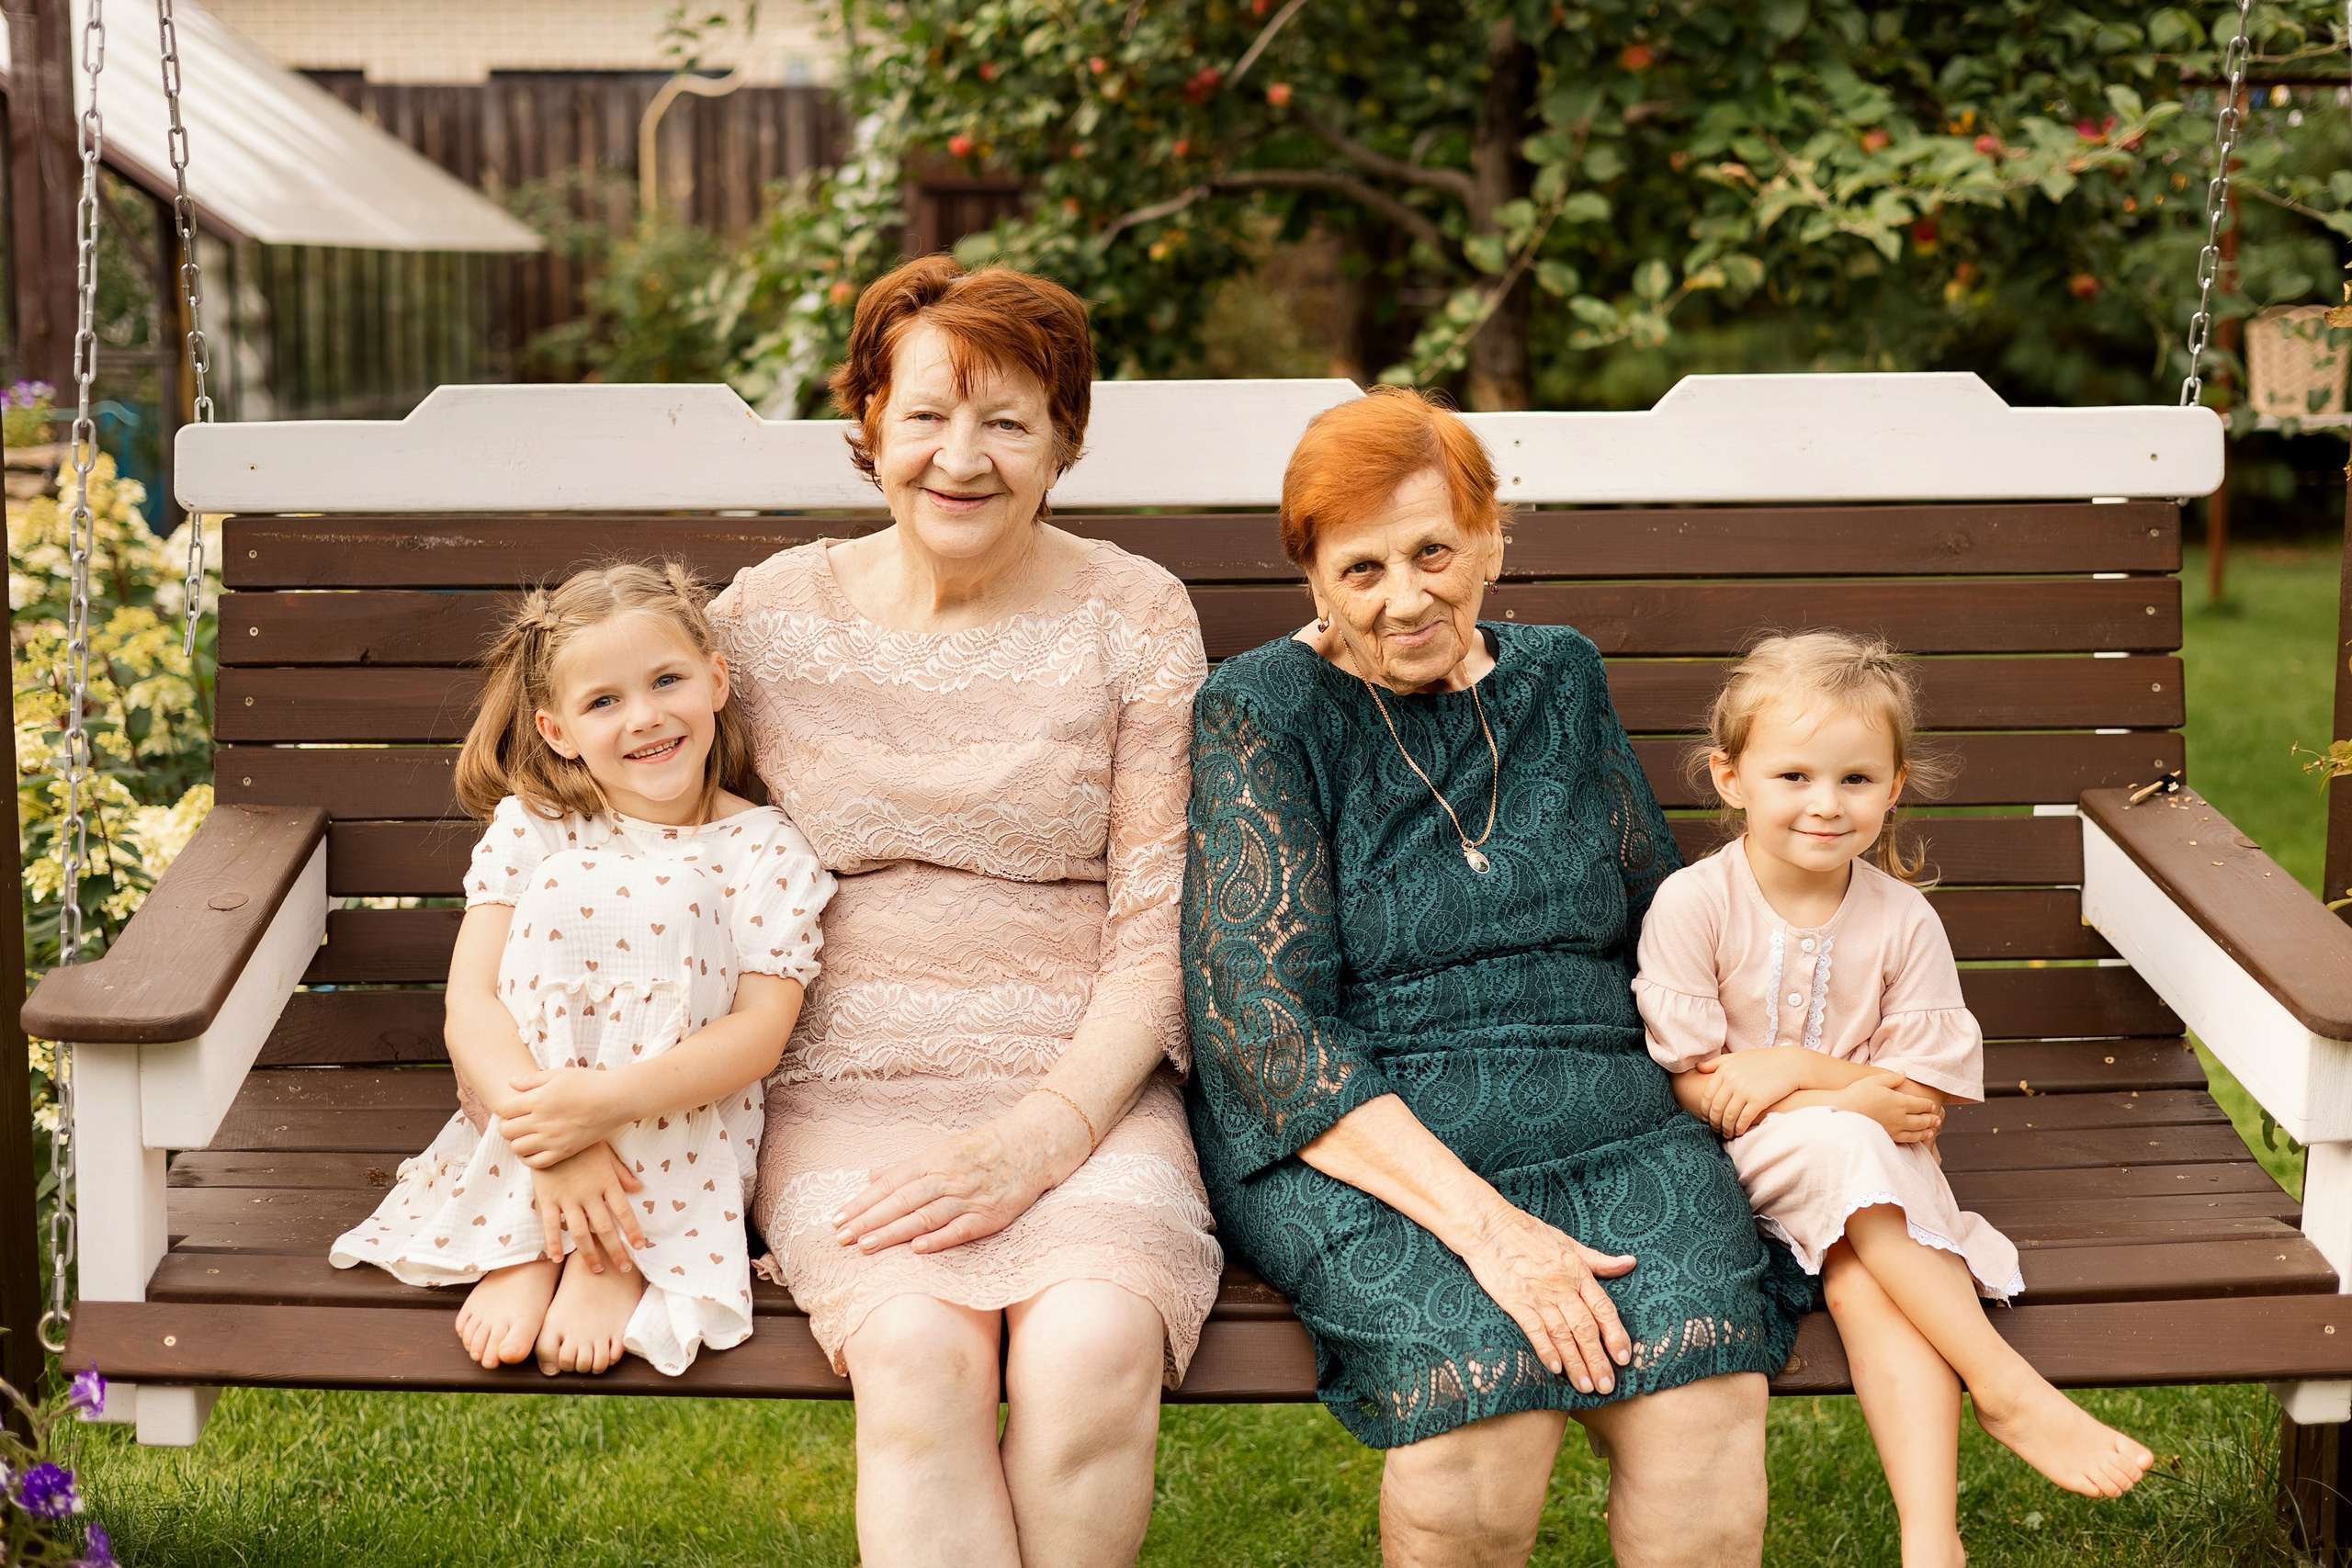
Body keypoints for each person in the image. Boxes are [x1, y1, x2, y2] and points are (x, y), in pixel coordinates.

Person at [1183, 385, 1812, 1568]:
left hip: (1604, 1108)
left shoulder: (1558, 677)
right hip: (1365, 1133)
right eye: (1360, 569)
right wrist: (1489, 1231)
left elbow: (1658, 915)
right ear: (1311, 578)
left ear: (1491, 538)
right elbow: (1262, 1031)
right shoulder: (1260, 710)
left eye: (1432, 551)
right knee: (1488, 1414)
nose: (1406, 597)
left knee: (1703, 1410)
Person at [709, 255, 1221, 1568]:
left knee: (1097, 1337)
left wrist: (1046, 1131)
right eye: (928, 412)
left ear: (1063, 443)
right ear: (869, 421)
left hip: (1083, 1082)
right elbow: (643, 839)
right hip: (845, 1078)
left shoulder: (1135, 612)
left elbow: (1163, 914)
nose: (963, 455)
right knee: (921, 1350)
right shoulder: (766, 620)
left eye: (1008, 420)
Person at [1634, 631, 2154, 1566]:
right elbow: (1697, 1084)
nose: (1825, 805)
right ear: (1729, 776)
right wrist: (1846, 1096)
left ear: (1894, 785)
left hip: (1874, 1183)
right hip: (1736, 1170)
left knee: (1870, 1277)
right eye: (1792, 775)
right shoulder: (1694, 904)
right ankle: (2002, 1387)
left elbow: (1916, 1104)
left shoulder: (1902, 918)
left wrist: (1797, 1071)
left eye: (1855, 779)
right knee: (1851, 1154)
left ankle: (1929, 1540)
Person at [330, 563, 831, 1378]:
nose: (645, 716)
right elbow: (472, 1003)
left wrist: (599, 1108)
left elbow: (759, 1034)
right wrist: (556, 1146)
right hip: (531, 1133)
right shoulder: (535, 830)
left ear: (716, 680)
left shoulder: (766, 851)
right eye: (604, 701)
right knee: (571, 890)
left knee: (675, 899)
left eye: (667, 680)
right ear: (557, 729)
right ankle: (528, 1236)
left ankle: (613, 1252)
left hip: (680, 1133)